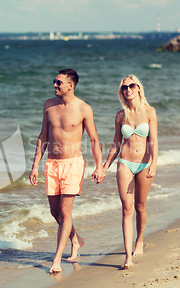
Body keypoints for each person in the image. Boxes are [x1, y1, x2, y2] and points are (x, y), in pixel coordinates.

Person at [30, 68, 106, 274]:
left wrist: (99, 166)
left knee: (65, 211)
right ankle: (76, 239)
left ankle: (56, 259)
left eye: (58, 82)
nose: (54, 85)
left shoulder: (83, 108)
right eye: (54, 81)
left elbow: (94, 140)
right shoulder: (48, 106)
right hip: (52, 164)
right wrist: (35, 165)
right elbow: (43, 135)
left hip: (73, 164)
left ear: (70, 85)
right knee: (55, 212)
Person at [102, 74, 158, 270]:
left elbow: (154, 141)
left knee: (140, 206)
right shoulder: (120, 116)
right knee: (126, 209)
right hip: (124, 163)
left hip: (144, 164)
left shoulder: (150, 112)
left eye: (131, 86)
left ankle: (140, 239)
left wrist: (154, 163)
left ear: (138, 88)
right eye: (124, 87)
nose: (128, 90)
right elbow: (115, 145)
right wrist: (103, 167)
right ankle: (128, 257)